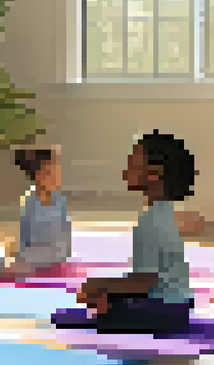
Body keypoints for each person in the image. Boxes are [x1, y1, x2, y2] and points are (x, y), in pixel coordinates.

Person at [57, 131, 196, 334]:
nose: (126, 169)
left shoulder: (150, 222)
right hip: (179, 304)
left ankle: (109, 314)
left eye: (133, 162)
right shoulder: (164, 212)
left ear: (154, 173)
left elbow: (145, 282)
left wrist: (97, 285)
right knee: (108, 297)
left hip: (165, 311)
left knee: (66, 316)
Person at [8, 147, 72, 275]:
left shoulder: (60, 200)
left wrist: (65, 255)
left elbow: (66, 231)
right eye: (49, 172)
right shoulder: (29, 201)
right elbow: (23, 236)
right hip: (33, 256)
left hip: (56, 256)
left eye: (56, 171)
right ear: (37, 175)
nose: (55, 176)